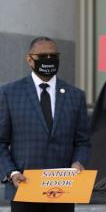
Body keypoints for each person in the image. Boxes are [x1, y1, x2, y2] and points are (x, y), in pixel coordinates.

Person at [0, 37, 90, 212]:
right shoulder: (9, 93)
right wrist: (12, 173)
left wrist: (78, 163)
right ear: (29, 59)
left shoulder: (75, 95)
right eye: (42, 55)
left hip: (63, 189)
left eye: (53, 55)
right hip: (24, 188)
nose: (48, 60)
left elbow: (83, 142)